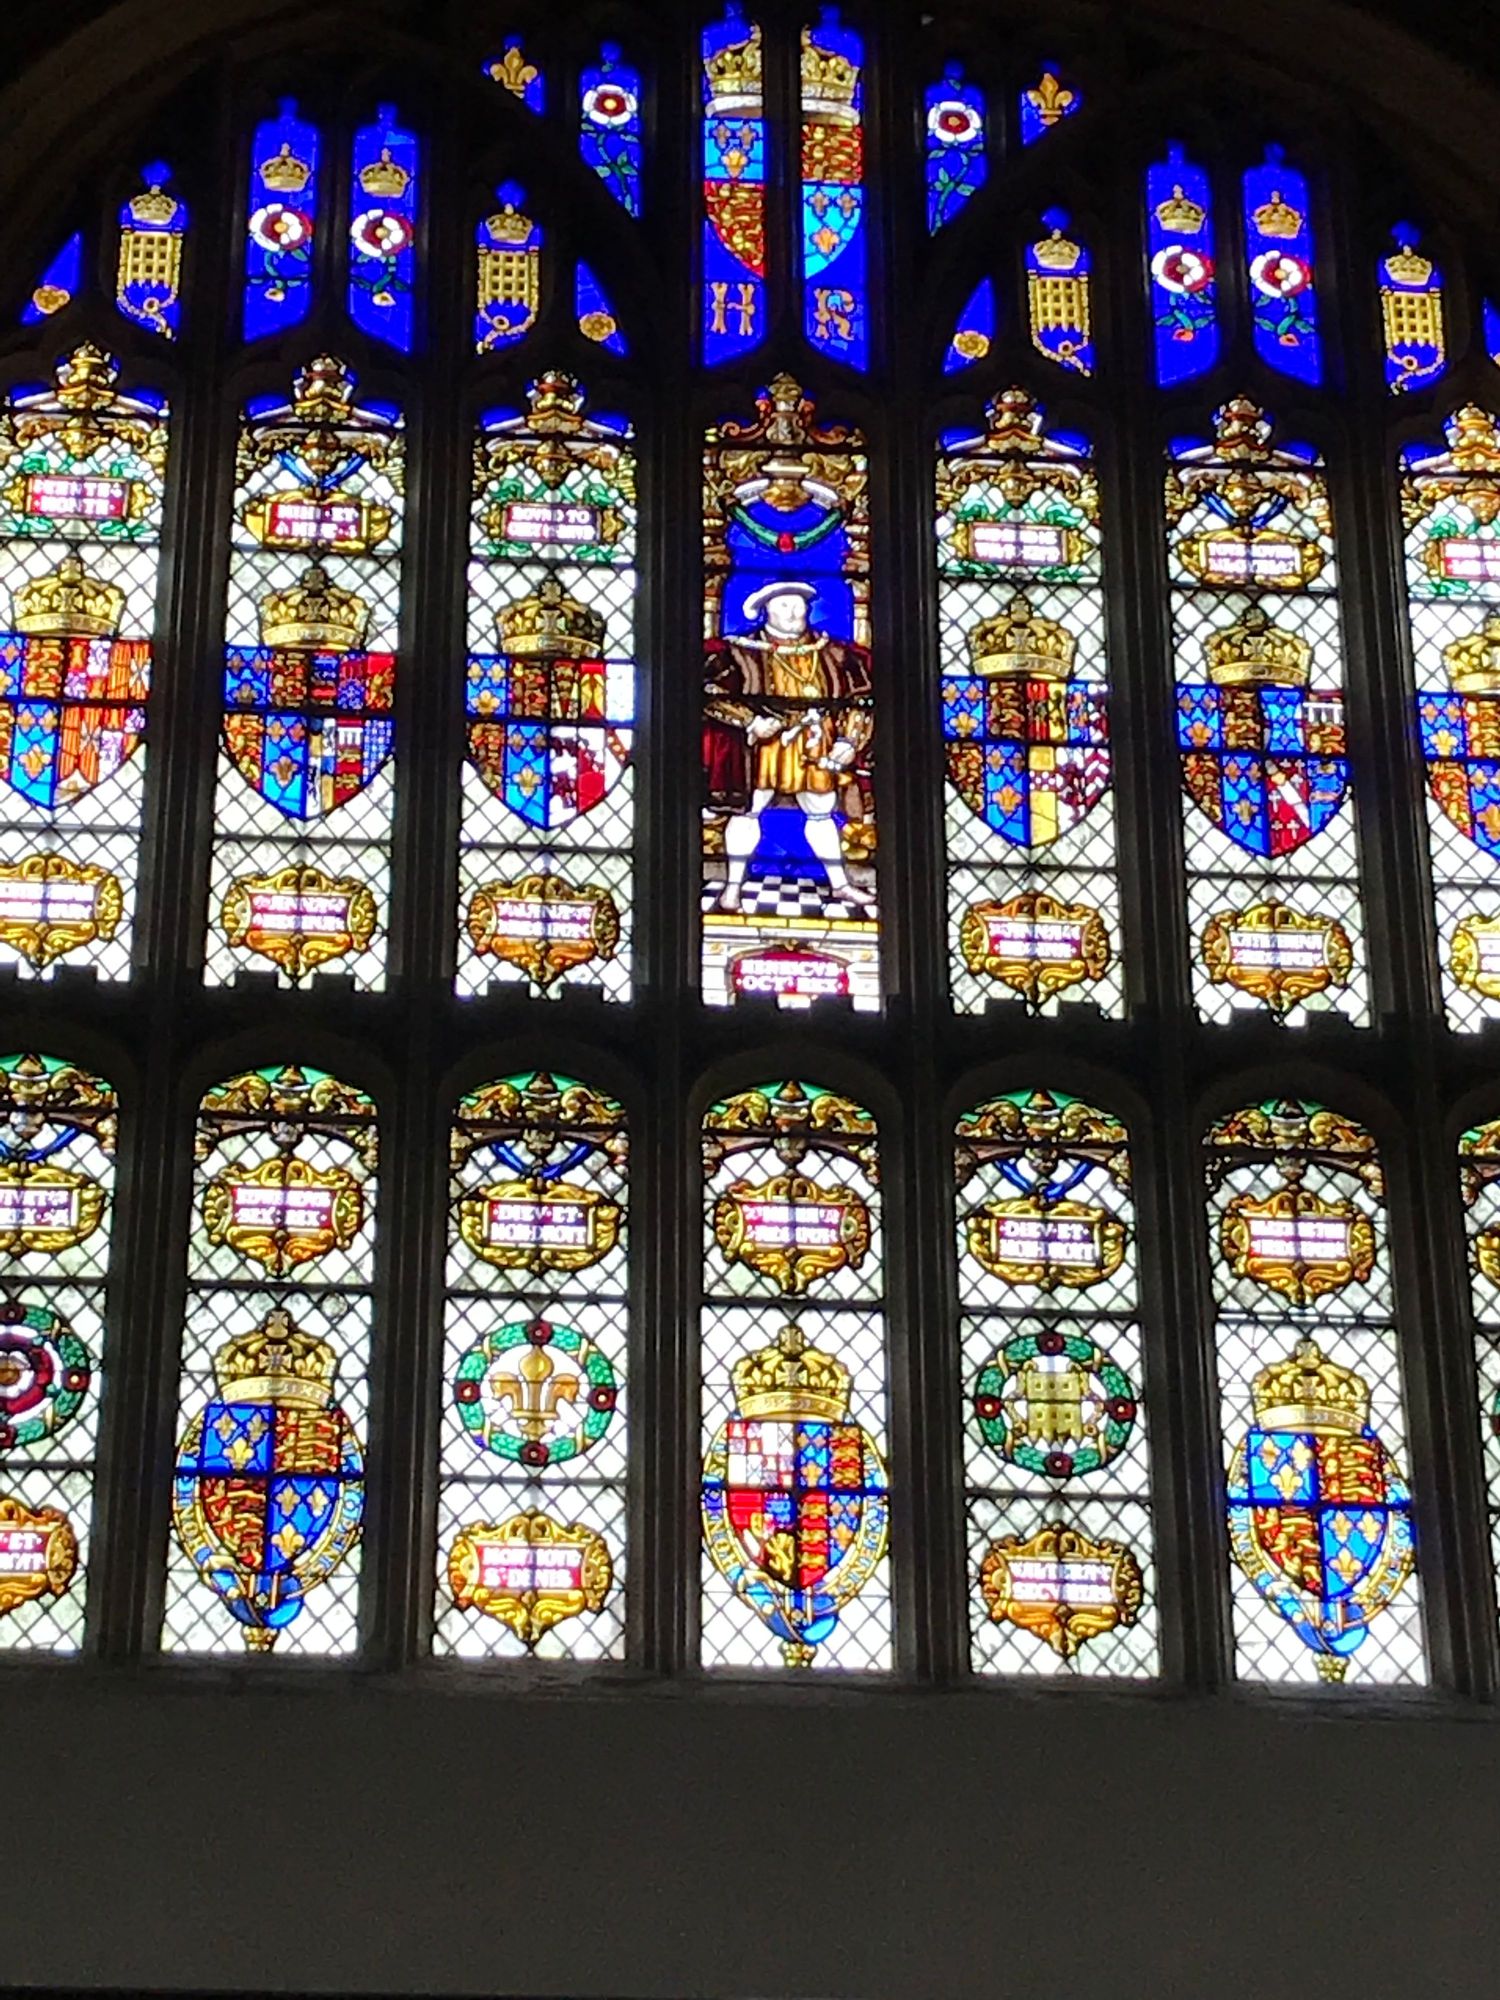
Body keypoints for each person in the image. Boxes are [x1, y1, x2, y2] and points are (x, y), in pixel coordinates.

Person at [702, 579, 873, 912]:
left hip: (816, 741)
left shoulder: (833, 652)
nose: (795, 612)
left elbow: (861, 699)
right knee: (748, 810)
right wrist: (750, 721)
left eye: (800, 605)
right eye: (784, 605)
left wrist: (849, 740)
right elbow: (711, 695)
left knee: (821, 811)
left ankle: (840, 885)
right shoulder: (738, 651)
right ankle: (733, 887)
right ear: (765, 610)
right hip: (764, 745)